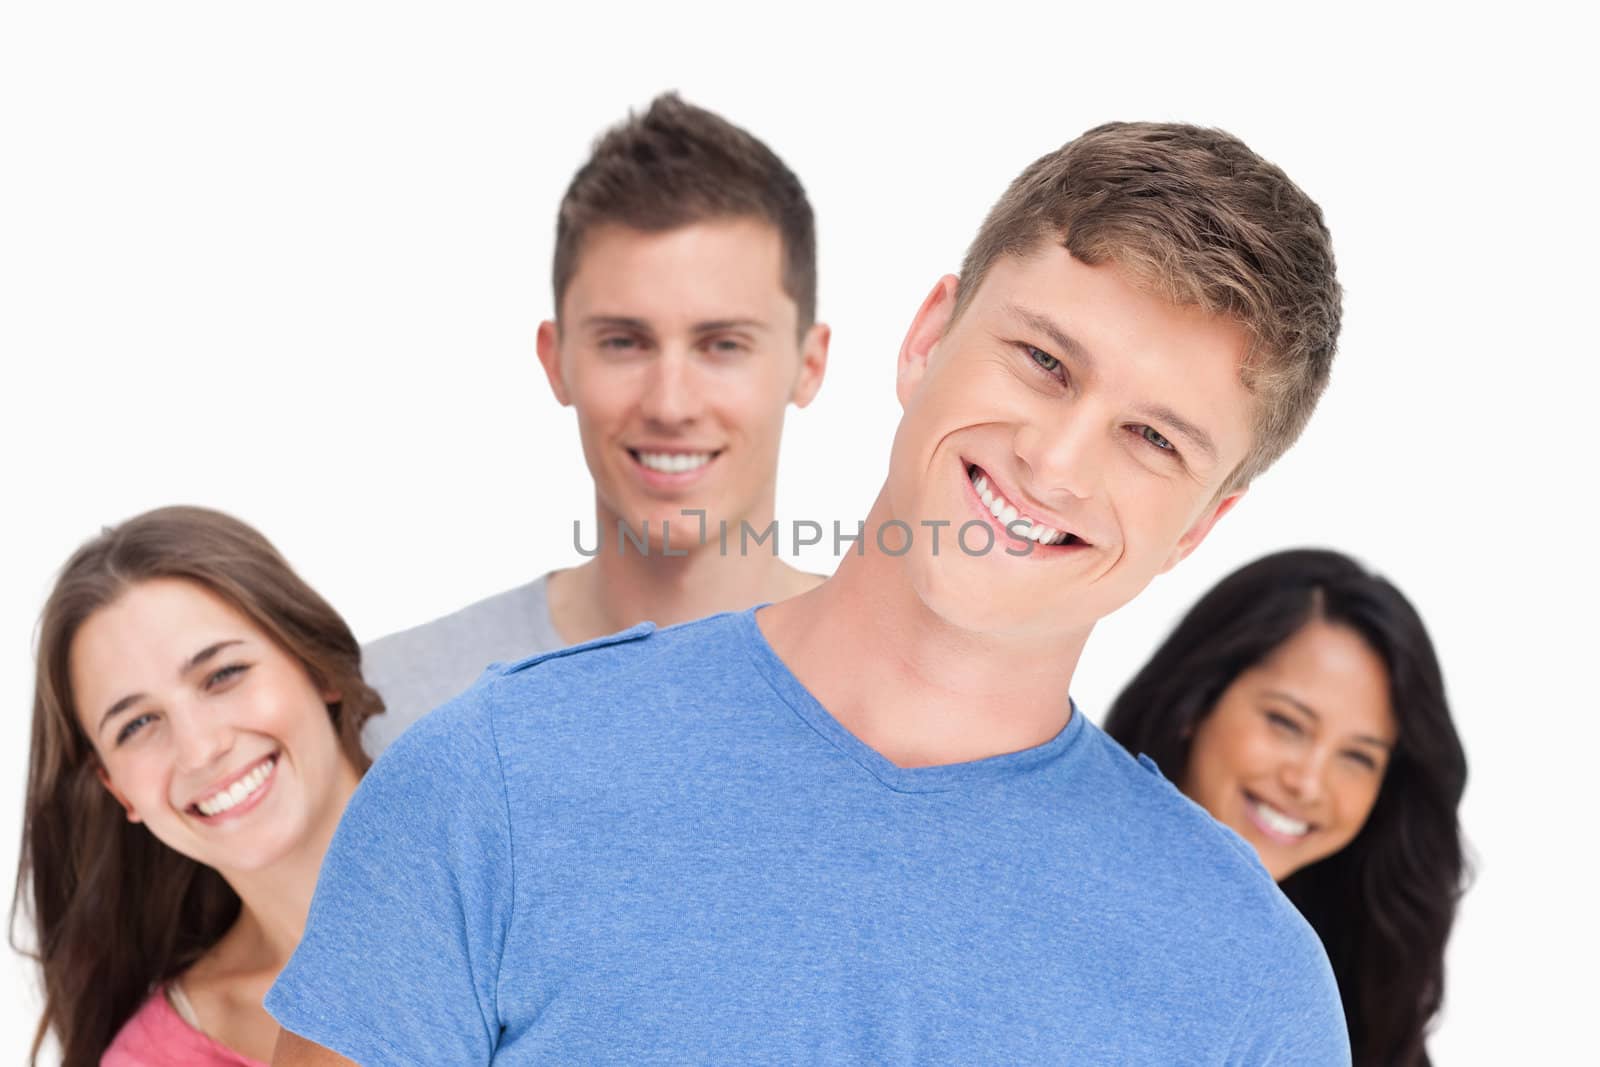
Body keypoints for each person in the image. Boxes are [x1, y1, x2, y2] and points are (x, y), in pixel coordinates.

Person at [268, 120, 1350, 1064]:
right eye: (1043, 360)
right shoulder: (490, 784)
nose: (1057, 461)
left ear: (1201, 523)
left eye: (1153, 437)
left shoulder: (1248, 988)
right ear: (927, 338)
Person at [361, 92, 830, 753]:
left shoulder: (933, 692)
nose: (671, 404)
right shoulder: (396, 710)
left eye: (723, 344)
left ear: (809, 364)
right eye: (623, 342)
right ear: (556, 361)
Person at [11, 507, 385, 1067]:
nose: (199, 749)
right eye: (137, 725)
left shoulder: (527, 848)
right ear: (117, 789)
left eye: (222, 675)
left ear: (318, 665)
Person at [1103, 548, 1469, 1066]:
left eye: (1358, 758)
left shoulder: (1348, 989)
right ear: (1196, 701)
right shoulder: (1058, 886)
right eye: (1286, 723)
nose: (1308, 783)